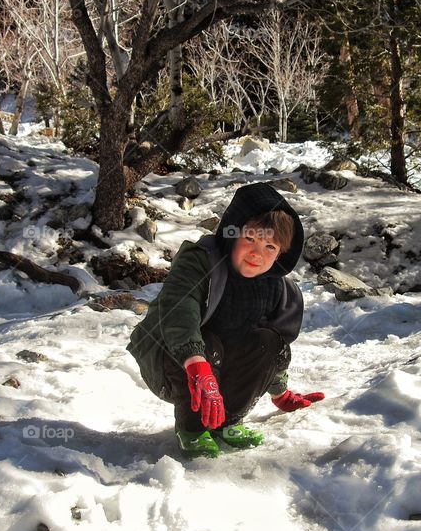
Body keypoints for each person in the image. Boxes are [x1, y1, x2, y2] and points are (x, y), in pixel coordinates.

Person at [127, 182, 325, 458]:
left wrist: (279, 392)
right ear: (233, 235)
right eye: (251, 239)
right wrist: (197, 365)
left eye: (270, 246)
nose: (258, 253)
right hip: (169, 360)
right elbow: (179, 311)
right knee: (207, 345)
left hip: (219, 367)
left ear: (281, 253)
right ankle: (192, 428)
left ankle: (227, 420)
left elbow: (274, 348)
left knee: (268, 340)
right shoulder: (200, 261)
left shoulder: (278, 288)